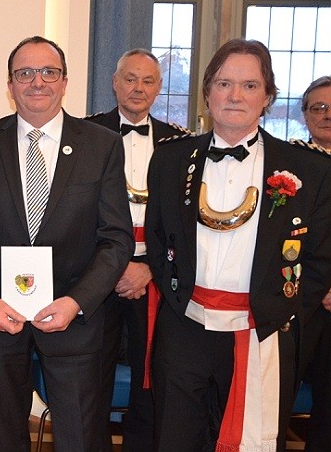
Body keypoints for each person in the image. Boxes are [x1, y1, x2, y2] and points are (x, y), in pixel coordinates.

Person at [0, 35, 134, 451]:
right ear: (10, 85)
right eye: (25, 73)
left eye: (49, 72)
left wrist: (77, 302)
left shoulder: (101, 145)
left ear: (64, 81)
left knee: (79, 437)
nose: (37, 82)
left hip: (74, 318)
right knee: (2, 438)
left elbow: (116, 239)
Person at [145, 39, 331, 451]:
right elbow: (157, 239)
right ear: (208, 93)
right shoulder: (170, 160)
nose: (235, 96)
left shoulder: (310, 169)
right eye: (224, 83)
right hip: (185, 327)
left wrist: (279, 308)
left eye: (249, 85)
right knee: (174, 438)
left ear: (267, 97)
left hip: (262, 331)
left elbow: (319, 260)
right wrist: (178, 298)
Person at [85, 49, 191, 452]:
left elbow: (185, 220)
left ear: (159, 87)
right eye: (130, 78)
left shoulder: (180, 144)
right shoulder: (85, 133)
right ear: (115, 83)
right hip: (97, 271)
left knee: (150, 377)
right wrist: (112, 267)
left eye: (148, 81)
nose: (138, 88)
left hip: (154, 274)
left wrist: (149, 268)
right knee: (91, 375)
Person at [297, 75, 331, 452]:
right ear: (305, 115)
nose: (326, 115)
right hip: (298, 301)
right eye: (318, 107)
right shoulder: (289, 166)